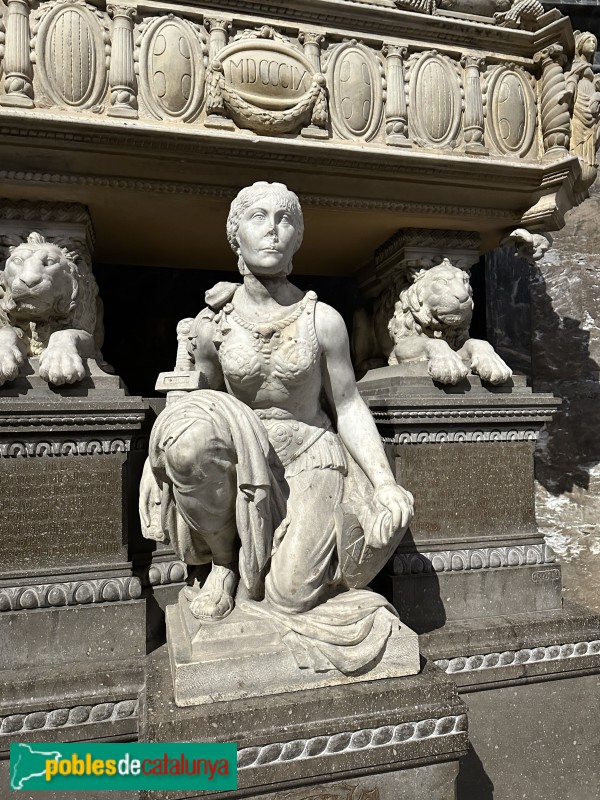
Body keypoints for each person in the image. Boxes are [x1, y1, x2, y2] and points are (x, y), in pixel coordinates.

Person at [140, 181, 414, 672]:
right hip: (244, 460)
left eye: (285, 219)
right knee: (187, 444)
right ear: (235, 234)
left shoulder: (322, 320)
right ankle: (225, 564)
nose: (272, 229)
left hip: (310, 456)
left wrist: (385, 482)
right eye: (258, 217)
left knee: (290, 594)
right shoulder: (212, 325)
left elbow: (348, 404)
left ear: (297, 238)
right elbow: (196, 405)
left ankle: (290, 594)